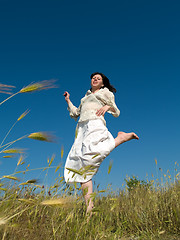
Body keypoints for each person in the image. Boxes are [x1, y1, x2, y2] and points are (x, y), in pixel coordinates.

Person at [64, 72, 139, 214]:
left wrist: (107, 107)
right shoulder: (85, 98)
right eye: (93, 78)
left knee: (97, 153)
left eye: (98, 78)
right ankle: (89, 206)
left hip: (95, 123)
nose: (95, 79)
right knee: (82, 166)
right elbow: (75, 113)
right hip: (81, 129)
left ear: (103, 83)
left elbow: (116, 111)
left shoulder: (106, 93)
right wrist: (68, 100)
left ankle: (120, 138)